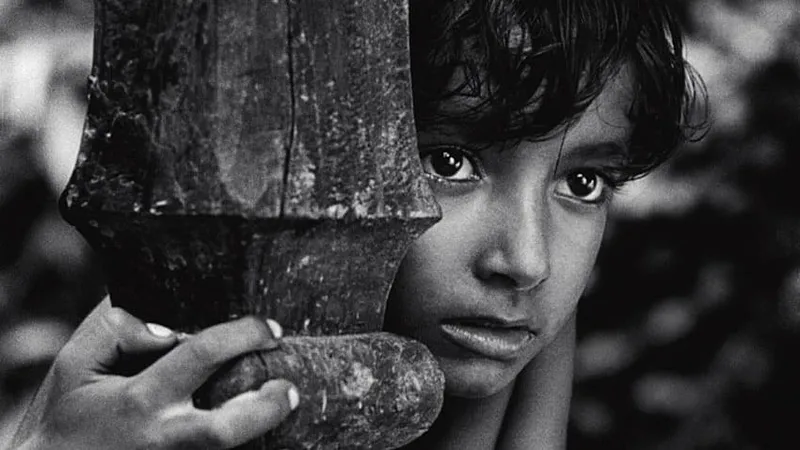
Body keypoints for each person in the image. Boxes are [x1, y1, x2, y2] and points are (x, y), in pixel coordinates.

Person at [8, 0, 705, 449]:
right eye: (448, 161)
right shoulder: (173, 379)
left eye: (583, 182)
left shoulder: (511, 350)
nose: (527, 261)